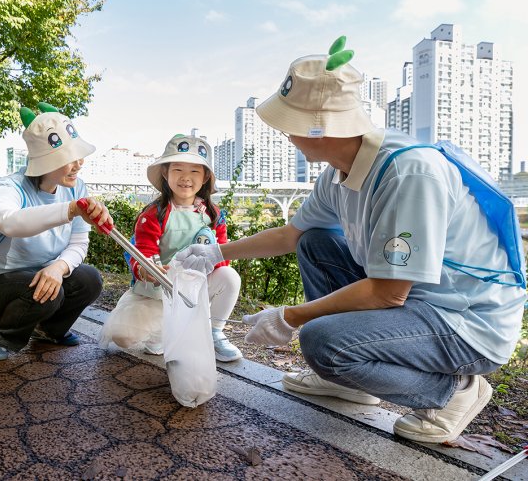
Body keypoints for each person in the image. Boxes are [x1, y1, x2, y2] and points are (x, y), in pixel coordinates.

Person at [176, 37, 526, 444]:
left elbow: (388, 292)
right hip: (421, 302)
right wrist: (217, 252)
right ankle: (349, 383)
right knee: (316, 243)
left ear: (320, 127)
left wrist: (290, 317)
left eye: (290, 122)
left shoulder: (407, 173)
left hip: (466, 322)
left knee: (321, 342)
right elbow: (292, 235)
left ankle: (452, 395)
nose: (285, 132)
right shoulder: (338, 173)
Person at [0, 102, 111, 362]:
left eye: (79, 155)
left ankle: (49, 331)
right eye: (68, 158)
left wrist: (58, 267)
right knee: (42, 293)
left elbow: (79, 242)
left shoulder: (77, 187)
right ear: (45, 161)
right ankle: (3, 337)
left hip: (41, 274)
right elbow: (9, 222)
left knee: (89, 279)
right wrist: (71, 210)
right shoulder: (8, 187)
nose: (78, 164)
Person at [99, 134, 243, 362]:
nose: (186, 178)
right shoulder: (154, 214)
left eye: (195, 171)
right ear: (165, 173)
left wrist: (206, 262)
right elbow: (143, 252)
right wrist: (147, 269)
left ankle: (214, 331)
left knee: (229, 276)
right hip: (158, 290)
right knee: (122, 336)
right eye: (178, 170)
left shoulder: (214, 215)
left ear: (205, 176)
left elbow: (223, 254)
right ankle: (164, 329)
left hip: (194, 289)